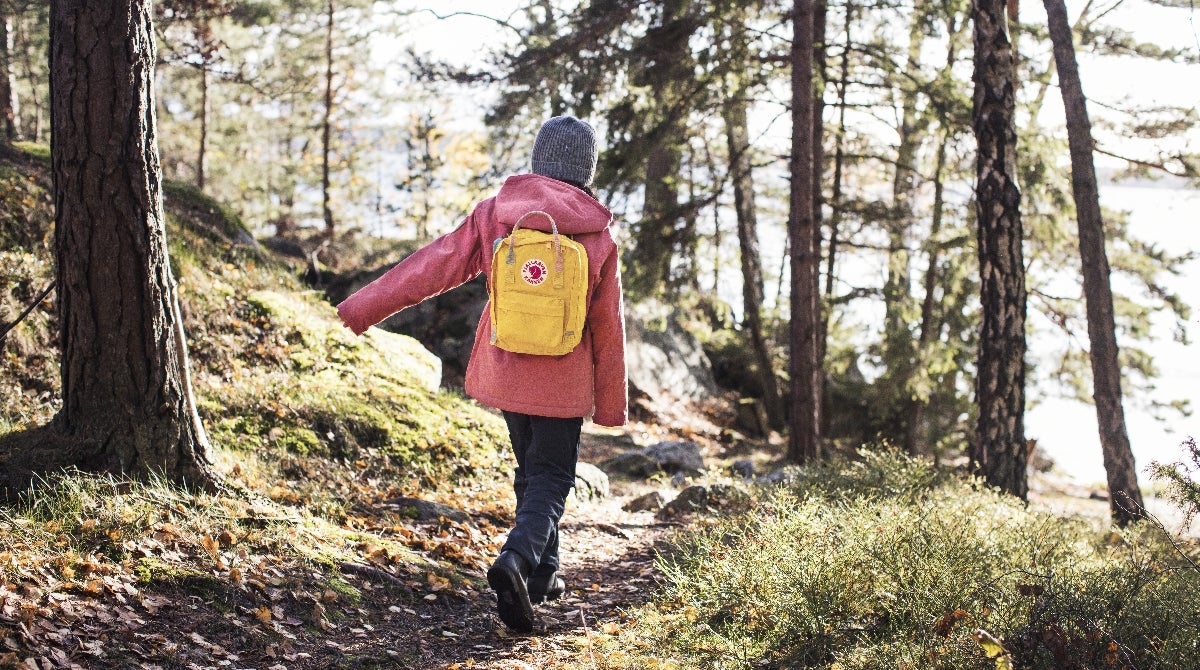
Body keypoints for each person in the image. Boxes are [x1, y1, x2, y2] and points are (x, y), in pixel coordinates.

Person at [335, 115, 628, 633]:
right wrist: (609, 404)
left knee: (530, 473)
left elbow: (433, 265)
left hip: (509, 368)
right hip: (562, 379)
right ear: (587, 169)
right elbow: (607, 328)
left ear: (539, 159)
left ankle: (542, 577)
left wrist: (362, 307)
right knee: (553, 478)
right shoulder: (597, 233)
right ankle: (516, 562)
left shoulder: (496, 214)